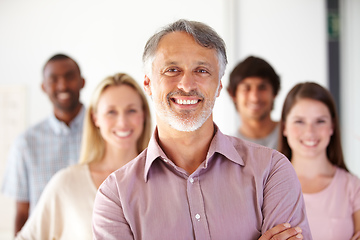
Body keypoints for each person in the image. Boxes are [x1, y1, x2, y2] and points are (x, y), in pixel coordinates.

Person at [92, 19, 311, 240]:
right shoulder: (115, 197)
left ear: (219, 86)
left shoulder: (271, 171)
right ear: (148, 83)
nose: (187, 85)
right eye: (172, 70)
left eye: (202, 70)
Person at [14, 73, 152, 239]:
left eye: (131, 110)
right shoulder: (67, 183)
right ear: (95, 118)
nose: (122, 122)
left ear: (143, 115)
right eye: (111, 112)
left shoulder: (164, 179)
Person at [1, 53, 86, 234]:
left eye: (69, 76)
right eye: (54, 79)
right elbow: (22, 212)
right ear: (43, 87)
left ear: (82, 82)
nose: (63, 85)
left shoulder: (108, 132)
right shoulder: (25, 143)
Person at [279, 82, 360, 240]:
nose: (310, 132)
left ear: (332, 127)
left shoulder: (353, 187)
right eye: (299, 122)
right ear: (284, 127)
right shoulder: (265, 188)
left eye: (320, 121)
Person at [227, 56, 280, 149]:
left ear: (275, 92)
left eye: (262, 87)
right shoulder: (228, 148)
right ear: (233, 95)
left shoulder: (295, 137)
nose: (255, 98)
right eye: (246, 88)